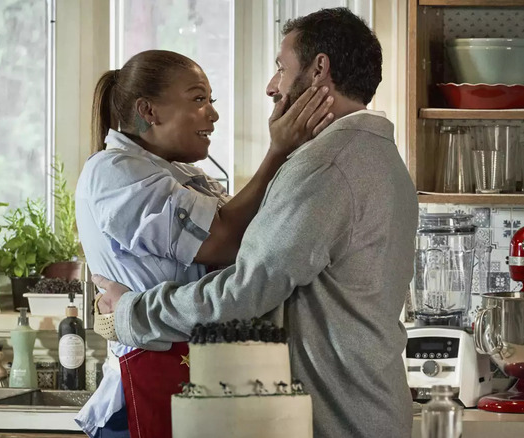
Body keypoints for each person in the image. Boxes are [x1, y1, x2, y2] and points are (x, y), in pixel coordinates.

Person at [94, 8, 419, 438]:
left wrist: (132, 312)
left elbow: (245, 292)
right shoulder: (379, 154)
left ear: (319, 69)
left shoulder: (327, 164)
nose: (272, 86)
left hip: (340, 419)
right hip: (370, 407)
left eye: (281, 68)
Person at [74, 50, 334, 438]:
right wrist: (277, 151)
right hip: (143, 387)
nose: (212, 114)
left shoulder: (183, 173)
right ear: (149, 110)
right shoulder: (113, 171)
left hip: (196, 379)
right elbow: (222, 241)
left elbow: (252, 239)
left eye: (211, 100)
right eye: (198, 99)